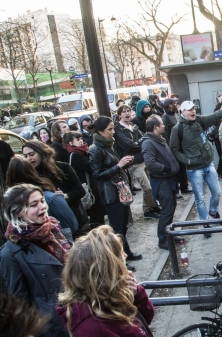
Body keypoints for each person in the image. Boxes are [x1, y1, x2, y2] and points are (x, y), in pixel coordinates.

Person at [56, 225, 158, 337]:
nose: (126, 255)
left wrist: (137, 294)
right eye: (121, 253)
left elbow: (145, 320)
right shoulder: (100, 336)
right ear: (107, 269)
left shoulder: (107, 296)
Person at [0, 184, 74, 337]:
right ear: (18, 211)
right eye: (34, 205)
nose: (42, 206)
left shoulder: (54, 229)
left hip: (76, 310)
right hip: (52, 327)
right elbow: (21, 304)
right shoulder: (10, 253)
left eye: (41, 201)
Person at [170, 99, 222, 227]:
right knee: (200, 199)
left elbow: (216, 115)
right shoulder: (178, 129)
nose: (193, 111)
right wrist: (187, 160)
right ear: (183, 112)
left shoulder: (199, 120)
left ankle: (213, 212)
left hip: (208, 164)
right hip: (194, 169)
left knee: (216, 193)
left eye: (194, 109)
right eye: (190, 110)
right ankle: (205, 223)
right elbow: (174, 150)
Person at [88, 116, 142, 270]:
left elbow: (113, 166)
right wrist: (119, 165)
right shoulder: (95, 149)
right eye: (109, 129)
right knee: (116, 228)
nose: (113, 132)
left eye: (113, 128)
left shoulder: (108, 144)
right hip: (110, 193)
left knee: (123, 225)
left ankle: (126, 252)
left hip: (119, 189)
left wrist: (125, 163)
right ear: (99, 131)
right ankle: (119, 261)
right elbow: (97, 175)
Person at [22, 140, 88, 231]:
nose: (29, 158)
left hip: (73, 218)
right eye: (25, 156)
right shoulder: (29, 176)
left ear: (41, 152)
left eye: (31, 154)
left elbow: (80, 191)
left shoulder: (63, 167)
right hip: (50, 225)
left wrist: (65, 196)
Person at [140, 115, 181, 250]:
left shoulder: (158, 139)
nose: (164, 125)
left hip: (169, 180)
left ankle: (169, 235)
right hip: (162, 181)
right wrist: (165, 168)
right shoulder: (148, 142)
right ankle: (163, 239)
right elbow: (150, 163)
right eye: (162, 124)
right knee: (167, 210)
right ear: (155, 127)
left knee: (171, 208)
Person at [114, 104, 160, 220]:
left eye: (129, 111)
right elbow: (130, 145)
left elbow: (145, 138)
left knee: (150, 187)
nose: (127, 113)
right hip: (133, 163)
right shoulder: (118, 129)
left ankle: (148, 209)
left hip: (143, 159)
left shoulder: (133, 126)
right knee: (147, 187)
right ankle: (152, 207)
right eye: (124, 111)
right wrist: (139, 143)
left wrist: (138, 143)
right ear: (119, 114)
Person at [64, 131, 106, 228]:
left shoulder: (81, 152)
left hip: (91, 185)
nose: (81, 141)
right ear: (70, 143)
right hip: (88, 186)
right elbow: (90, 166)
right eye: (77, 140)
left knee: (97, 213)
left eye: (81, 139)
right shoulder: (75, 155)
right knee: (95, 214)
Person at [162, 98, 192, 195]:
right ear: (169, 105)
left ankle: (184, 187)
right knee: (175, 169)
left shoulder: (177, 115)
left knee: (183, 168)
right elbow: (165, 134)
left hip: (181, 146)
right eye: (174, 103)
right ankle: (176, 190)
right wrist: (170, 146)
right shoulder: (165, 117)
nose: (176, 104)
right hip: (173, 147)